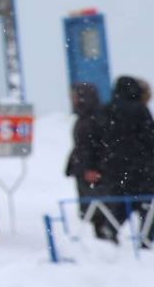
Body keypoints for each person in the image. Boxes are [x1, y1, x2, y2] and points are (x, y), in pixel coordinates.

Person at [99, 75, 154, 247]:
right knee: (145, 203)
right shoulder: (139, 110)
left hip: (114, 165)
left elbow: (99, 137)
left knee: (122, 201)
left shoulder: (106, 110)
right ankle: (146, 238)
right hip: (140, 165)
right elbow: (149, 137)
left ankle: (111, 228)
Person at [65, 82, 112, 241]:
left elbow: (96, 146)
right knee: (90, 205)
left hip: (91, 169)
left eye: (76, 96)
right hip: (83, 166)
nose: (73, 100)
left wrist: (93, 167)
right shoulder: (85, 117)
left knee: (96, 205)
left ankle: (104, 235)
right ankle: (99, 235)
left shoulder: (94, 119)